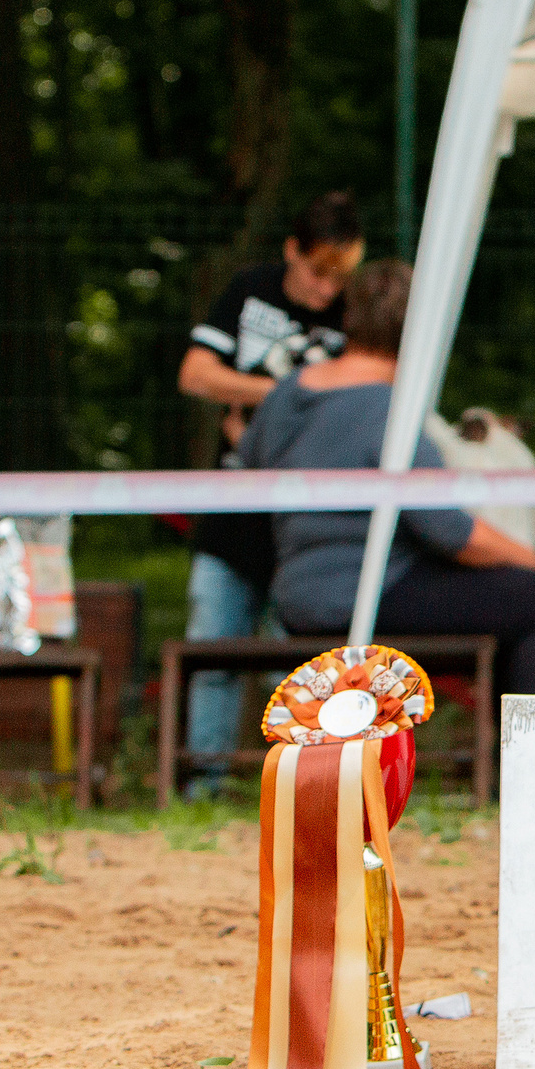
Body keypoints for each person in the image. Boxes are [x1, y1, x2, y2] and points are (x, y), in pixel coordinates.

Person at [238, 259, 535, 698]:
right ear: (420, 330)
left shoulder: (285, 396)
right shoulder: (391, 412)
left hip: (294, 599)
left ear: (349, 317)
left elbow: (247, 460)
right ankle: (526, 763)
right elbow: (449, 532)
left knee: (510, 601)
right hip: (373, 593)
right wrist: (523, 556)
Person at [175, 191, 366, 794]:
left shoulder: (360, 314)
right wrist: (281, 398)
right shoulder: (249, 289)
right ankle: (200, 783)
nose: (325, 291)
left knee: (306, 659)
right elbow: (195, 373)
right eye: (316, 272)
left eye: (340, 278)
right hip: (235, 502)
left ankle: (301, 788)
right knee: (214, 647)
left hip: (312, 519)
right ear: (292, 250)